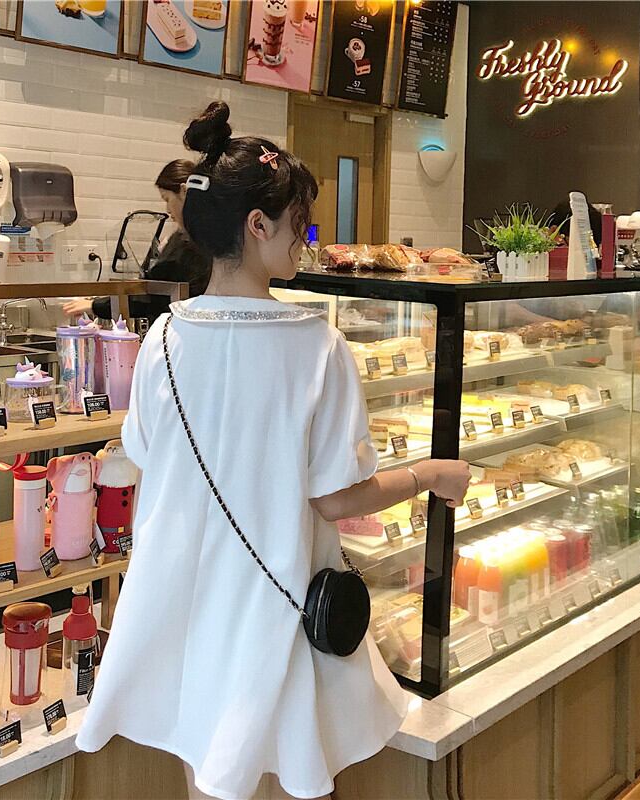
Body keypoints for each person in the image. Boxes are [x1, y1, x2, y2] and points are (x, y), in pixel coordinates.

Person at [76, 102, 471, 800]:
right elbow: (338, 499)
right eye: (299, 221)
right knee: (293, 770)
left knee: (207, 767)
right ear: (258, 225)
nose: (306, 237)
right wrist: (429, 474)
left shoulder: (162, 338)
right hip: (277, 606)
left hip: (185, 605)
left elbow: (144, 452)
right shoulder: (317, 346)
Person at [62, 159, 212, 320]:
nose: (167, 210)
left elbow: (148, 296)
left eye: (167, 199)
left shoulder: (188, 244)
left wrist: (94, 305)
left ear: (183, 192)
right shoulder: (203, 237)